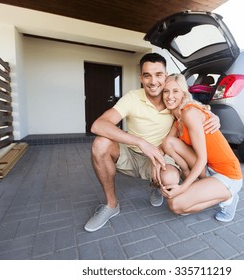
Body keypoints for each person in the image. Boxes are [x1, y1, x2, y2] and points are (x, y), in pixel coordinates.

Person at [85, 53, 220, 232]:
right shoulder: (133, 97)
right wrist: (141, 142)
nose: (153, 81)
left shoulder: (173, 99)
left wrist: (214, 116)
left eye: (158, 75)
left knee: (170, 178)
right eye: (147, 75)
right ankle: (111, 205)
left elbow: (196, 109)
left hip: (162, 157)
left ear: (166, 76)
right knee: (100, 143)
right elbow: (98, 125)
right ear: (141, 78)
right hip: (132, 154)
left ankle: (157, 186)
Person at [160, 73, 243, 222]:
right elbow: (167, 145)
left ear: (184, 93)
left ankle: (228, 197)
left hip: (228, 175)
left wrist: (183, 187)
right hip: (208, 169)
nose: (169, 96)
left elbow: (202, 158)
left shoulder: (190, 113)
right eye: (166, 91)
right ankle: (198, 186)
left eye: (175, 91)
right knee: (168, 142)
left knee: (175, 205)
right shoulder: (178, 120)